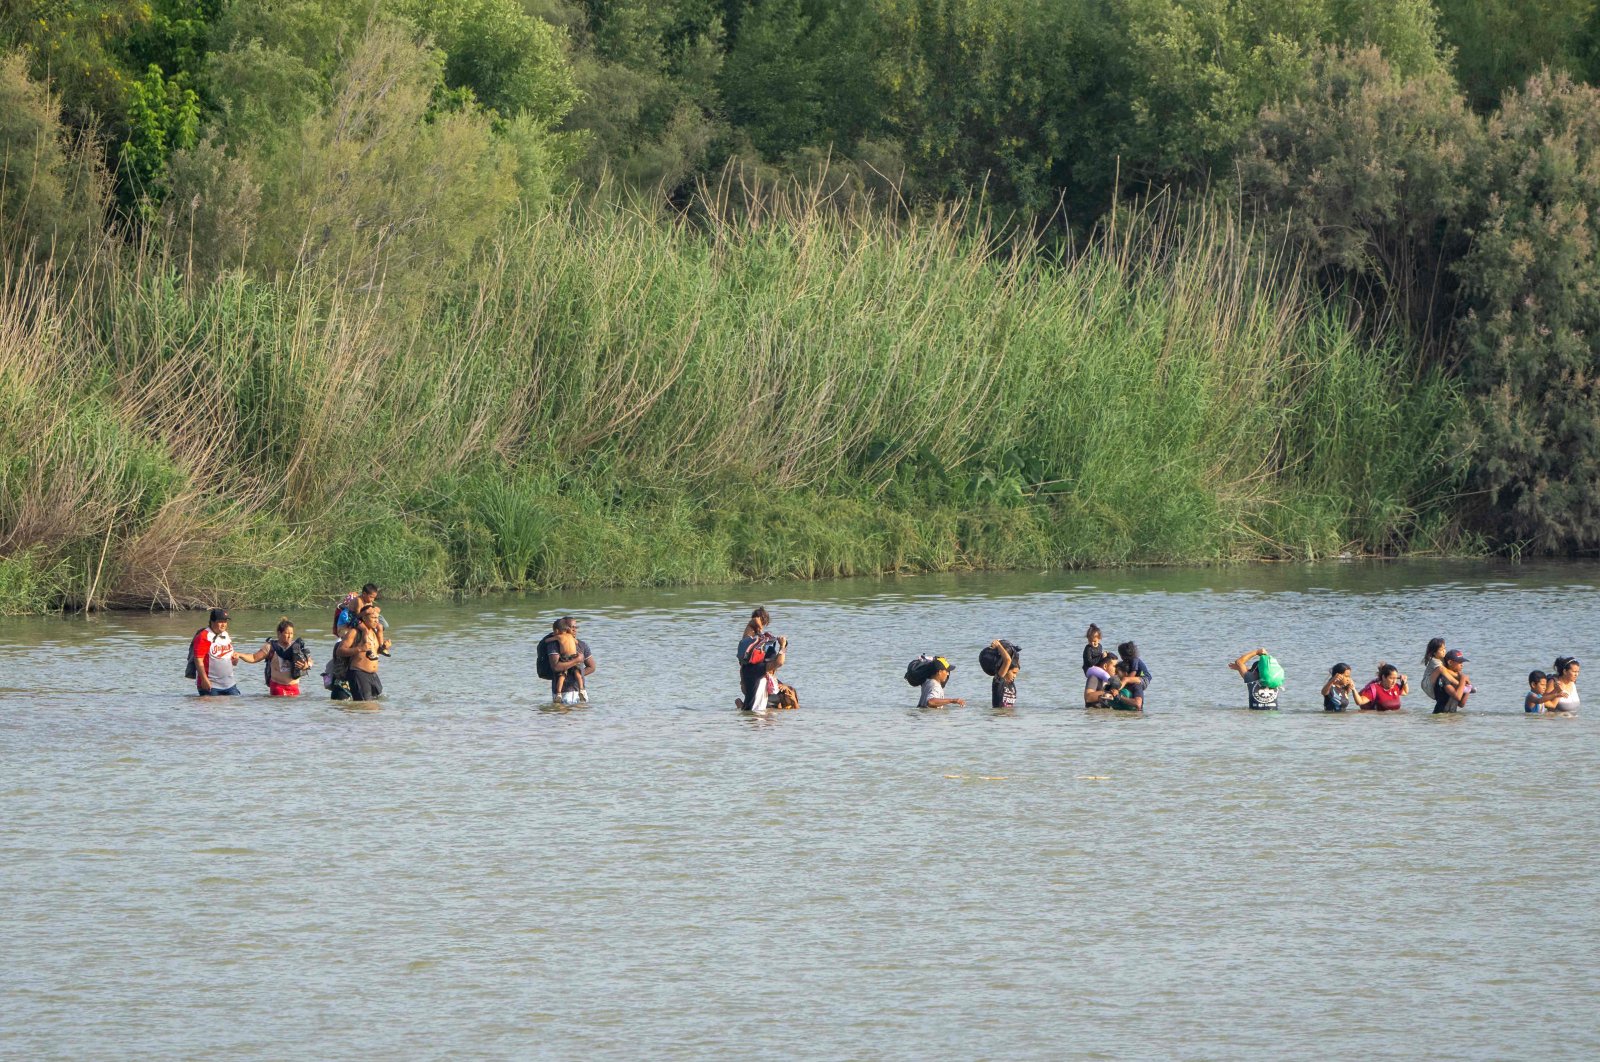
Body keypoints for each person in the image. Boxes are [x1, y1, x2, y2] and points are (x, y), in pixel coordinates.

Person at [236, 618, 315, 697]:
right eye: (287, 633)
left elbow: (310, 661)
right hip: (278, 687)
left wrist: (306, 665)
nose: (289, 636)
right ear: (279, 633)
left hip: (294, 687)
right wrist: (239, 655)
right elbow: (254, 658)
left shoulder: (296, 647)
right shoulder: (270, 647)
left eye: (291, 633)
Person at [333, 603, 390, 701]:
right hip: (359, 673)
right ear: (364, 618)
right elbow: (340, 651)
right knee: (364, 706)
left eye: (377, 617)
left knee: (378, 702)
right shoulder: (354, 632)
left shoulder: (375, 632)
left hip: (373, 675)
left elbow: (376, 651)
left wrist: (384, 647)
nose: (376, 620)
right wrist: (359, 648)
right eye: (373, 618)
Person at [736, 608, 785, 712]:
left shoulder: (745, 667)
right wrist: (782, 646)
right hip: (755, 718)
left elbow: (748, 632)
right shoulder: (758, 668)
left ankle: (741, 706)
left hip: (750, 713)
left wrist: (759, 631)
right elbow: (779, 662)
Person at [540, 617, 596, 704]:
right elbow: (555, 667)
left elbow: (592, 667)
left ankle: (580, 688)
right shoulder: (554, 645)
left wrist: (574, 676)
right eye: (571, 627)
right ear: (564, 629)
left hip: (581, 693)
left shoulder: (582, 644)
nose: (574, 630)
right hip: (564, 694)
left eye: (575, 627)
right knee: (563, 717)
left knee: (582, 717)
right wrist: (577, 660)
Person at [191, 607, 242, 696]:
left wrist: (234, 660)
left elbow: (229, 658)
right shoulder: (204, 636)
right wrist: (204, 679)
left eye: (225, 621)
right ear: (212, 622)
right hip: (211, 685)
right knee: (213, 709)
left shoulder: (225, 634)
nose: (224, 624)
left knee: (234, 707)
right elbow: (198, 660)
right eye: (220, 621)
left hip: (229, 684)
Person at [1430, 649, 1472, 713]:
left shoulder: (1458, 679)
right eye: (1459, 662)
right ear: (1450, 662)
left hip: (1452, 715)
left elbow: (1461, 704)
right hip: (1441, 716)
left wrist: (1468, 686)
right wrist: (1463, 679)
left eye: (1462, 663)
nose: (1462, 665)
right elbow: (1457, 696)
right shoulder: (1443, 678)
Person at [989, 640, 1019, 708]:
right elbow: (1007, 660)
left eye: (1016, 673)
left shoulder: (1011, 683)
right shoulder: (998, 681)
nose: (1015, 676)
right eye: (1013, 673)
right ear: (1006, 670)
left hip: (1008, 716)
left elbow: (1016, 663)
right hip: (999, 716)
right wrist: (999, 645)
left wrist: (1013, 649)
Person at [1420, 638, 1446, 703]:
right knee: (1441, 669)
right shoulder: (1434, 661)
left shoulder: (1443, 658)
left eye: (1444, 648)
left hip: (1435, 682)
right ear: (1434, 652)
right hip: (1427, 684)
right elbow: (1443, 670)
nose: (1444, 651)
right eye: (1441, 650)